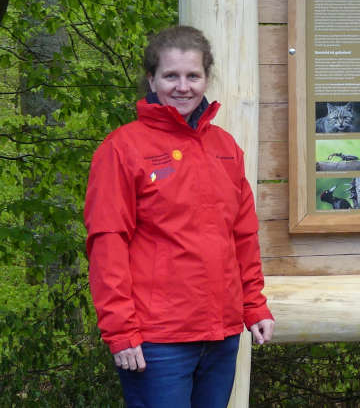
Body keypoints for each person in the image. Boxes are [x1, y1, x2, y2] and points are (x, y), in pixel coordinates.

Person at [85, 25, 275, 408]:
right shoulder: (122, 148)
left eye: (193, 76)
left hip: (221, 337)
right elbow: (107, 244)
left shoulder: (225, 148)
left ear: (206, 79)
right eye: (171, 76)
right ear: (152, 79)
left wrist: (253, 304)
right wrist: (121, 331)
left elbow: (243, 235)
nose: (182, 86)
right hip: (157, 342)